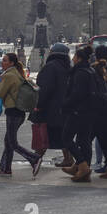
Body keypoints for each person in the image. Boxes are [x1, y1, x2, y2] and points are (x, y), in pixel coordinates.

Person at [0, 52, 41, 177]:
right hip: (19, 111)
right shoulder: (17, 73)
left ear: (11, 63)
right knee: (8, 141)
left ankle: (34, 158)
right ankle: (5, 168)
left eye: (5, 60)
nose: (2, 63)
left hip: (13, 111)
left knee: (12, 142)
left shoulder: (8, 75)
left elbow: (0, 93)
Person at [61, 46, 101, 182]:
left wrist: (65, 103)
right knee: (84, 141)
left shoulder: (80, 73)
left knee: (66, 138)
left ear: (79, 59)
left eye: (74, 57)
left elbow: (77, 94)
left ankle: (82, 165)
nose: (72, 59)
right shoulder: (90, 71)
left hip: (78, 111)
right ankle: (82, 168)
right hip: (90, 111)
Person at [32, 42, 73, 170]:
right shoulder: (69, 68)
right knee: (62, 135)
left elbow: (44, 89)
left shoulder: (50, 67)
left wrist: (38, 104)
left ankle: (35, 159)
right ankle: (68, 158)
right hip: (64, 108)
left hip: (49, 109)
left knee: (43, 134)